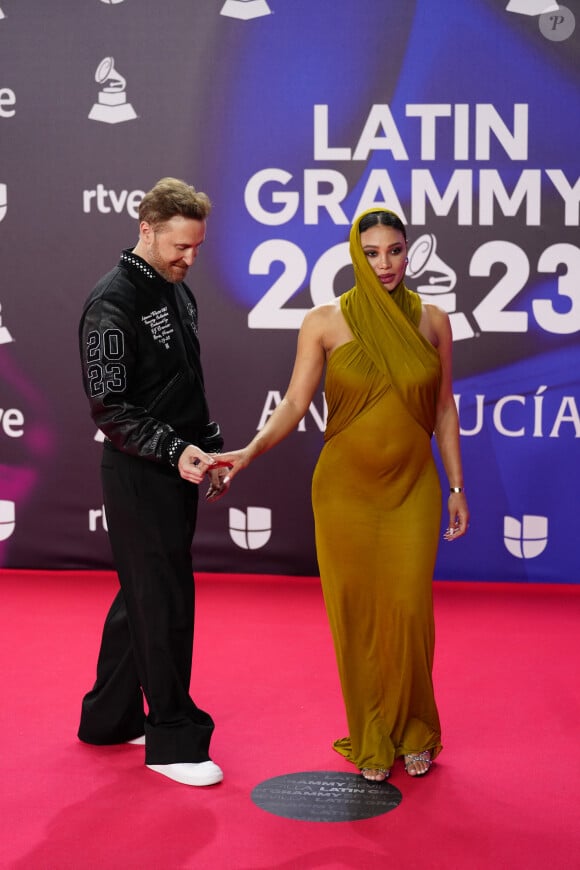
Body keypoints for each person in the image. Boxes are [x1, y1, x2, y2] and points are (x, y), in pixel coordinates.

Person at [220, 208, 470, 782]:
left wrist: (457, 484)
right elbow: (292, 404)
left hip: (414, 490)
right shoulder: (324, 321)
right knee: (355, 618)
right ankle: (372, 736)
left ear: (411, 253)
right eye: (374, 251)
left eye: (396, 250)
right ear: (357, 253)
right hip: (344, 495)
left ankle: (415, 729)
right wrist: (250, 451)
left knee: (409, 614)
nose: (385, 263)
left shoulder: (433, 320)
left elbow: (443, 408)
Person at [77, 177, 230, 787]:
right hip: (140, 474)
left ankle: (108, 718)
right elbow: (109, 406)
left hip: (175, 466)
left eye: (196, 248)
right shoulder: (110, 302)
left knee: (142, 591)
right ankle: (173, 741)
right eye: (179, 247)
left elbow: (181, 385)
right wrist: (176, 451)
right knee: (163, 598)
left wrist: (208, 450)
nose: (189, 260)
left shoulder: (175, 291)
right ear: (147, 229)